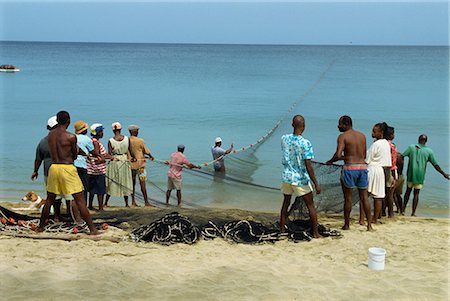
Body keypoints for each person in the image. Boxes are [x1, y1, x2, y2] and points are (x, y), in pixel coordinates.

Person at [37, 111, 98, 234]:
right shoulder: (71, 137)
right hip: (67, 168)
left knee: (50, 199)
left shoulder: (50, 136)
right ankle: (92, 229)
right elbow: (74, 155)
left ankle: (40, 227)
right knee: (80, 199)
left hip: (53, 168)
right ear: (68, 121)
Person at [326, 115, 372, 231]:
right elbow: (364, 156)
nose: (338, 126)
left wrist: (331, 161)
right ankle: (369, 225)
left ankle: (347, 225)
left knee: (348, 198)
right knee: (364, 197)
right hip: (362, 167)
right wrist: (350, 156)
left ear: (346, 124)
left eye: (339, 124)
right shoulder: (362, 136)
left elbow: (338, 154)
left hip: (350, 169)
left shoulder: (342, 137)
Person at [280, 115, 322, 238]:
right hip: (300, 179)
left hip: (286, 177)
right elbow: (308, 165)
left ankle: (282, 229)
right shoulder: (306, 143)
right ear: (303, 126)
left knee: (286, 203)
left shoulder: (284, 138)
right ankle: (315, 233)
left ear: (292, 125)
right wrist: (316, 183)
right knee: (311, 206)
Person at [31, 116, 77, 222]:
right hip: (64, 170)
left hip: (49, 172)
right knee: (70, 196)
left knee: (53, 197)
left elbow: (38, 159)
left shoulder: (43, 141)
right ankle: (73, 217)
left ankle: (56, 217)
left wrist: (35, 171)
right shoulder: (67, 138)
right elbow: (75, 153)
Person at [402, 134, 449, 216]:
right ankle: (413, 213)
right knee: (416, 194)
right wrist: (443, 174)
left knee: (407, 192)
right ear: (426, 141)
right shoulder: (429, 151)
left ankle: (403, 211)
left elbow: (401, 156)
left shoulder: (411, 147)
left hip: (410, 174)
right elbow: (435, 165)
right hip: (420, 176)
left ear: (418, 139)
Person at [365, 122, 391, 224]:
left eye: (374, 131)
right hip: (381, 171)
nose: (372, 133)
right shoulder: (386, 144)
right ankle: (375, 219)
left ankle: (363, 218)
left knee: (365, 195)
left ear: (381, 133)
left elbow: (367, 160)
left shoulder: (375, 144)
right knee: (378, 196)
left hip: (372, 169)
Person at [105, 122, 133, 207]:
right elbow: (130, 151)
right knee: (125, 180)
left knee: (112, 181)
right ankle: (127, 204)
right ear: (120, 129)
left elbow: (109, 154)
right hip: (124, 160)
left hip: (115, 161)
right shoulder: (127, 139)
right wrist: (132, 158)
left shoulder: (111, 141)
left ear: (113, 130)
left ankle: (105, 203)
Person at [128, 124, 154, 207]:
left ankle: (133, 202)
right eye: (137, 130)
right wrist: (151, 156)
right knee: (142, 183)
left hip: (131, 165)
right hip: (141, 166)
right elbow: (146, 151)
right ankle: (146, 202)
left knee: (132, 184)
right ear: (134, 131)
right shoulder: (140, 141)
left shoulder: (127, 140)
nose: (138, 132)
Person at [87, 123, 109, 211]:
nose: (103, 133)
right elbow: (97, 155)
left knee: (91, 189)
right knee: (100, 190)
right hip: (98, 170)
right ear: (98, 132)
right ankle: (100, 208)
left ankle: (90, 205)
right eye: (101, 131)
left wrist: (111, 157)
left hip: (91, 170)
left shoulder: (91, 141)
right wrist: (103, 159)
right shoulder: (96, 143)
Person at [74, 120, 94, 202]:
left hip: (73, 165)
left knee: (75, 188)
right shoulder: (87, 139)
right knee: (84, 187)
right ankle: (83, 205)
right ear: (84, 130)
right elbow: (92, 151)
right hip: (82, 165)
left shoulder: (73, 137)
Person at [384, 126, 397, 218]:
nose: (394, 135)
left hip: (383, 169)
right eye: (393, 134)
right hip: (391, 169)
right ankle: (391, 214)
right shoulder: (391, 146)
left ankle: (383, 211)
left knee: (383, 192)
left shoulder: (381, 144)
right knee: (390, 193)